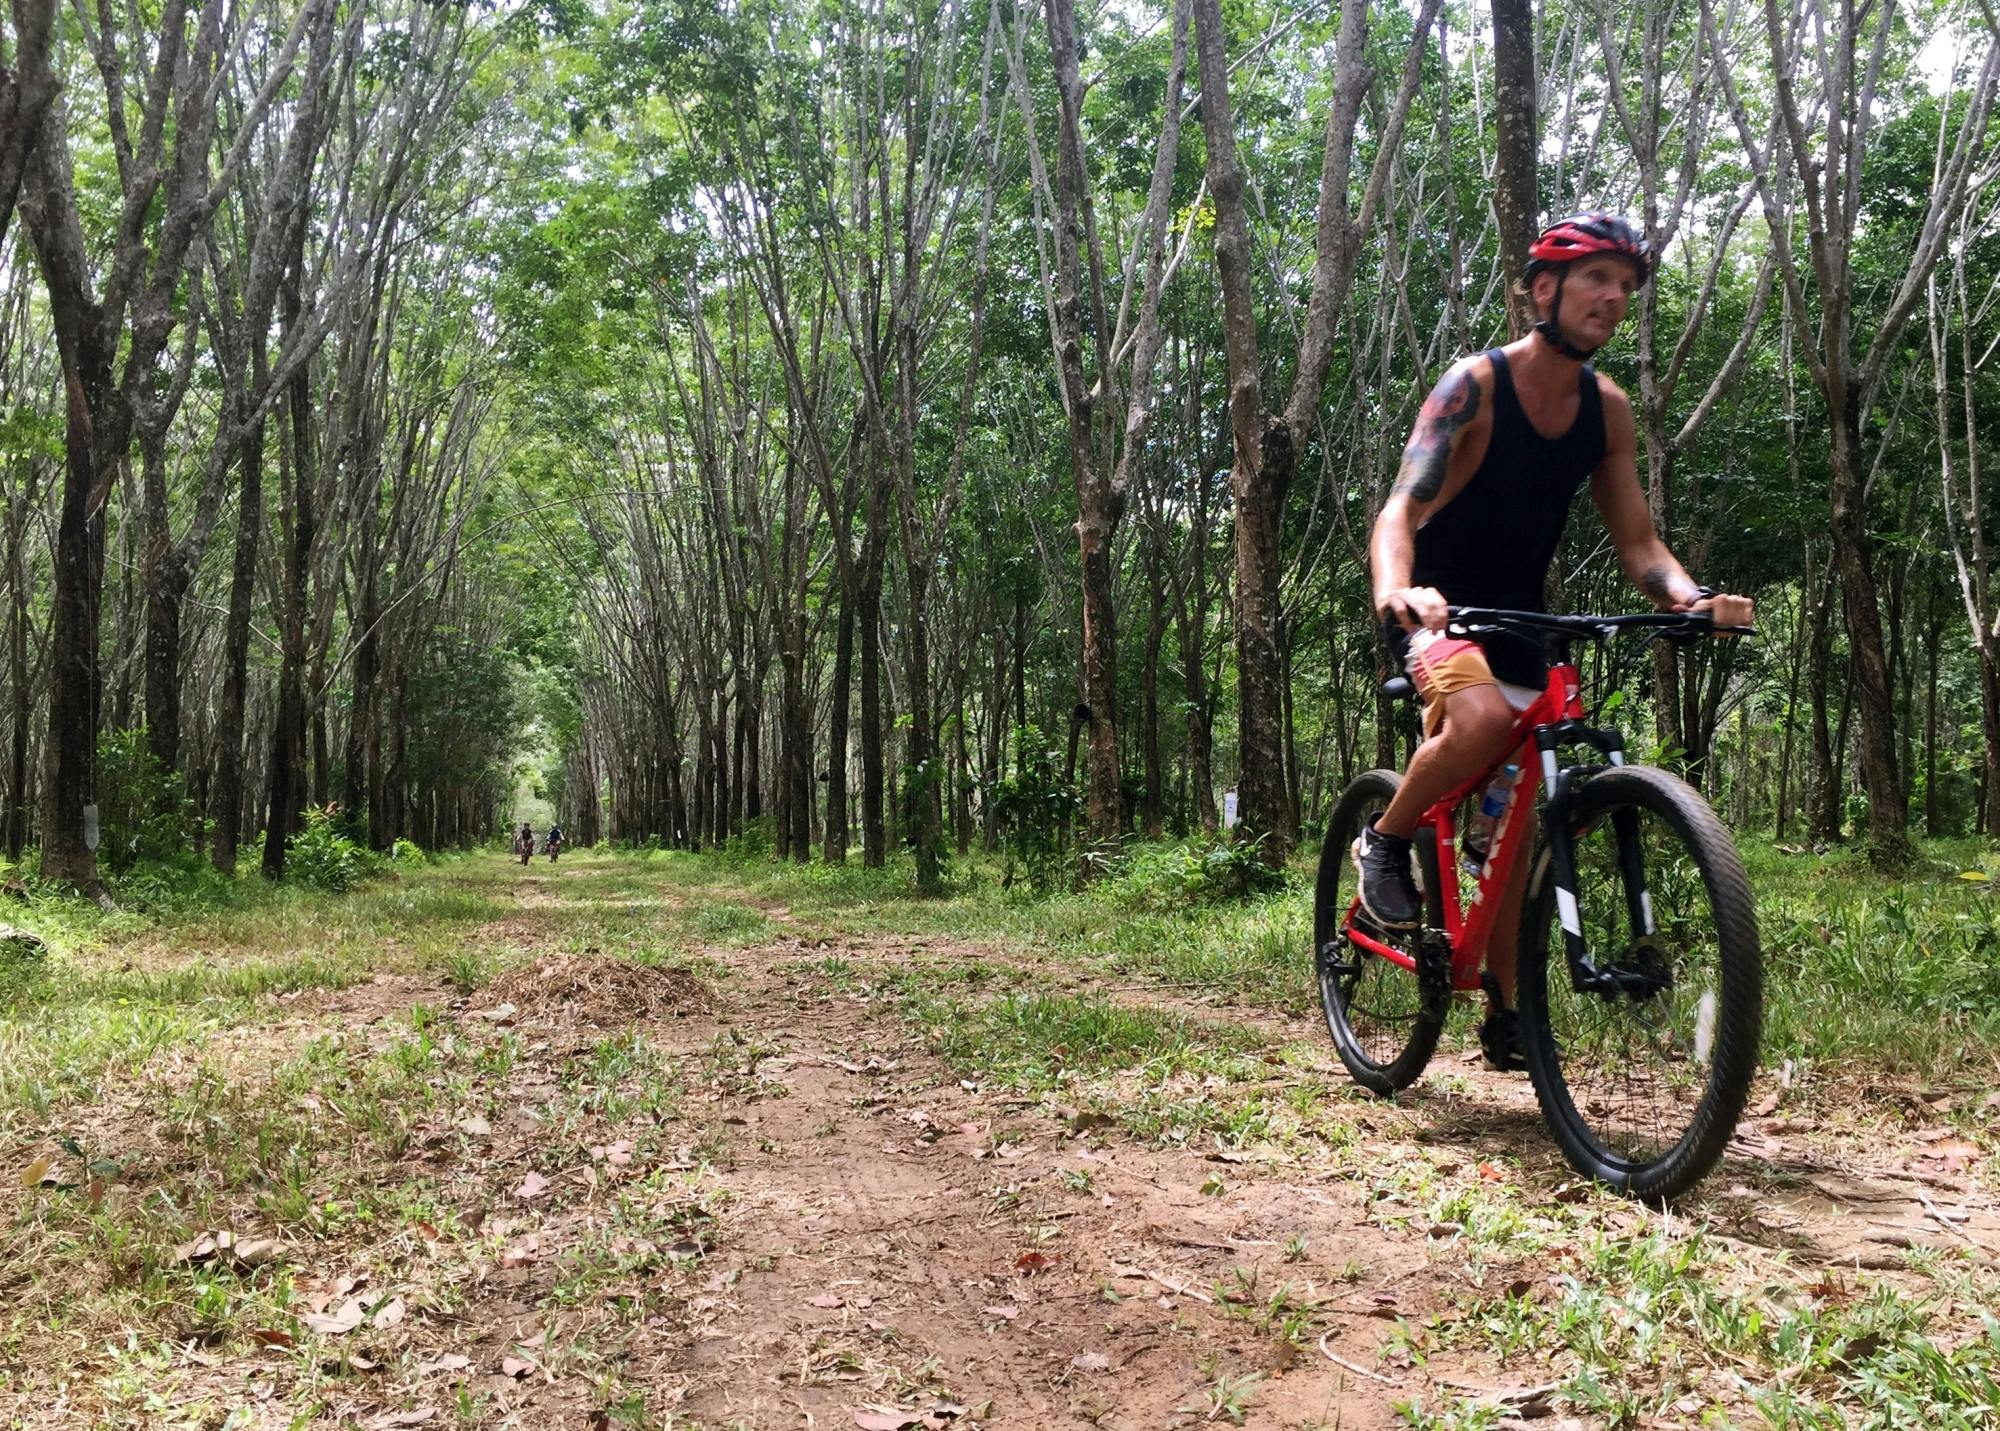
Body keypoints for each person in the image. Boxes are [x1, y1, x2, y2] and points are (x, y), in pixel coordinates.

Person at [1355, 212, 1755, 1071]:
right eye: (1595, 280)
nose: (1613, 298)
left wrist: (1693, 597)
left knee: (1525, 821)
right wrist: (1400, 591)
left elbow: (1641, 545)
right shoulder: (1476, 385)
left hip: (1524, 619)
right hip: (1438, 611)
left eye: (1625, 286)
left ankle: (1506, 1008)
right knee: (1480, 728)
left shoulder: (1604, 410)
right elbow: (1403, 506)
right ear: (1545, 289)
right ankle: (1384, 839)